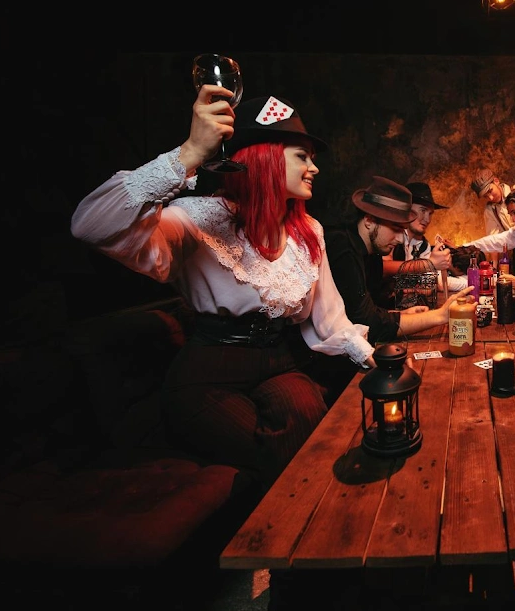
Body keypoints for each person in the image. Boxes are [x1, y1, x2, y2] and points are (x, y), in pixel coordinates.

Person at [70, 89, 376, 488]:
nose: (314, 168)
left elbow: (330, 317)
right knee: (278, 456)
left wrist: (374, 359)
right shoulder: (195, 218)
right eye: (302, 156)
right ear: (264, 157)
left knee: (310, 419)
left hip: (279, 362)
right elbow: (90, 226)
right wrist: (189, 154)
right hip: (209, 374)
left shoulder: (308, 231)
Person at [323, 175, 474, 346]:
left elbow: (370, 309)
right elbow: (367, 324)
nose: (400, 238)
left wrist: (401, 315)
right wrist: (440, 315)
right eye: (395, 228)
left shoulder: (371, 252)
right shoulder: (341, 246)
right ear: (369, 221)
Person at [378, 181, 458, 302]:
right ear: (407, 209)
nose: (427, 219)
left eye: (430, 213)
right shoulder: (392, 232)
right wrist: (428, 264)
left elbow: (429, 285)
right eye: (423, 210)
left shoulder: (423, 245)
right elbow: (382, 267)